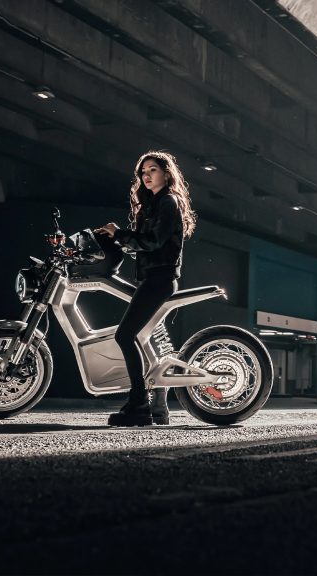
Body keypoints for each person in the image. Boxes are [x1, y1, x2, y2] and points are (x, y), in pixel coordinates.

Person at [95, 150, 196, 427]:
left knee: (125, 335)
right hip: (150, 279)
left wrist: (120, 234)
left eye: (152, 170)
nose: (146, 176)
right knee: (139, 338)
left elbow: (152, 242)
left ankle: (139, 404)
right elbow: (142, 245)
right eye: (143, 172)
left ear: (166, 172)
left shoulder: (169, 202)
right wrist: (111, 242)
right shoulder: (151, 205)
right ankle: (155, 406)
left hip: (160, 280)